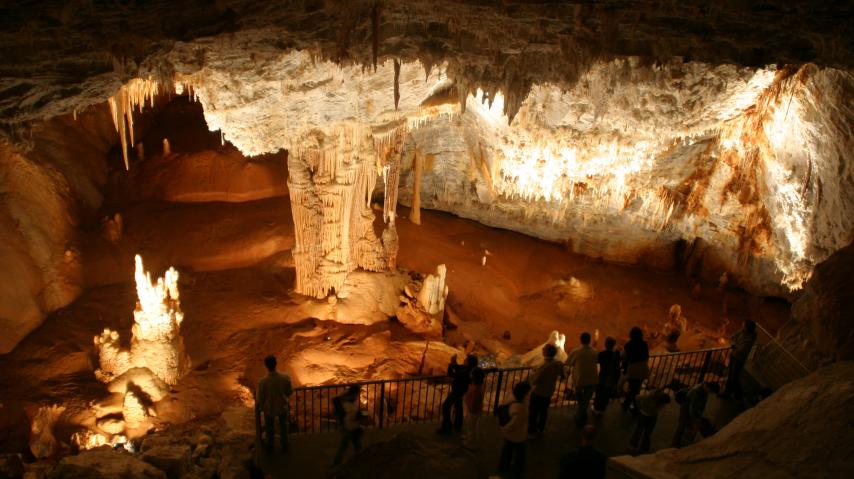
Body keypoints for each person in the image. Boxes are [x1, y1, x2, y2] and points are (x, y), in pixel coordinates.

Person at [255, 355, 293, 453]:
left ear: (266, 366)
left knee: (269, 429)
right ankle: (285, 446)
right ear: (276, 363)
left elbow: (260, 398)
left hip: (269, 408)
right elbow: (289, 392)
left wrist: (261, 406)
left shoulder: (262, 382)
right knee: (284, 427)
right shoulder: (285, 377)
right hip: (282, 406)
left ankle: (270, 447)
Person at [527, 344, 565, 436]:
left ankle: (531, 431)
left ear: (547, 353)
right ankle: (540, 428)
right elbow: (562, 375)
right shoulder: (557, 363)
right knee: (543, 412)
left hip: (538, 392)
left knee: (533, 413)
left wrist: (532, 375)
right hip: (548, 392)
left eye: (544, 349)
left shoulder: (544, 366)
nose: (542, 350)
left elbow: (535, 381)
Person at [498, 382, 531, 479]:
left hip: (509, 434)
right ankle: (518, 471)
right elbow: (514, 424)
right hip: (517, 435)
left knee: (507, 450)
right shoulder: (520, 408)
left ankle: (503, 466)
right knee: (520, 454)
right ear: (524, 393)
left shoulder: (510, 398)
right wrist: (505, 429)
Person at [673, 381, 720, 447]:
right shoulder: (696, 392)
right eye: (711, 391)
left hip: (692, 409)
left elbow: (701, 405)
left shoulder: (704, 390)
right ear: (708, 387)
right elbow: (692, 408)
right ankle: (675, 445)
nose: (710, 393)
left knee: (686, 427)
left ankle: (681, 444)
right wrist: (695, 419)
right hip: (686, 409)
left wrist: (698, 415)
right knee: (682, 426)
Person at [567, 332, 599, 427]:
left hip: (579, 380)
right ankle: (583, 413)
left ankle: (578, 416)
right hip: (592, 379)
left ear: (580, 340)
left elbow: (568, 363)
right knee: (586, 399)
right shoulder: (595, 352)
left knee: (581, 398)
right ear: (589, 340)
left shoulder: (575, 351)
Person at [438, 354, 475, 433]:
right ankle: (458, 424)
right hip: (461, 391)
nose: (464, 360)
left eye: (466, 360)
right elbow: (458, 367)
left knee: (446, 406)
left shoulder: (465, 371)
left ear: (468, 362)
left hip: (457, 391)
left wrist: (451, 363)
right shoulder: (468, 369)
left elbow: (451, 374)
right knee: (458, 406)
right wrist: (454, 363)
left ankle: (446, 427)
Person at [722, 319, 757, 402]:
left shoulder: (750, 338)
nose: (742, 327)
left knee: (734, 377)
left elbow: (743, 348)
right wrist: (733, 342)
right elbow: (733, 337)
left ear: (747, 328)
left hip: (739, 358)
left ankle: (739, 396)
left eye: (743, 325)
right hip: (734, 355)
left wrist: (734, 345)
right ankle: (727, 393)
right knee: (730, 375)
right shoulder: (742, 332)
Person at [629, 389, 670, 455]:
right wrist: (640, 408)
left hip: (651, 416)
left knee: (647, 433)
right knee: (639, 431)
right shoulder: (647, 398)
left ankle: (642, 447)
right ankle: (636, 446)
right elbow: (637, 397)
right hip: (644, 415)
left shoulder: (659, 401)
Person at [332, 385, 364, 466]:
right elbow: (349, 413)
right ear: (355, 393)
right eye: (358, 393)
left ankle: (337, 463)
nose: (358, 395)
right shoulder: (347, 400)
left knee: (353, 445)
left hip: (350, 426)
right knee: (346, 445)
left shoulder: (347, 399)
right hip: (349, 427)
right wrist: (358, 415)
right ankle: (337, 463)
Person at [621, 327, 650, 414]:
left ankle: (628, 405)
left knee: (633, 388)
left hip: (633, 369)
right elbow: (646, 356)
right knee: (637, 388)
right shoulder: (644, 344)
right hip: (643, 368)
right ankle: (634, 406)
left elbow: (624, 357)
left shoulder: (628, 345)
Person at [593, 337, 621, 414]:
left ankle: (596, 408)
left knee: (599, 392)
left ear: (605, 344)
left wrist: (594, 345)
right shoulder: (617, 354)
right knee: (607, 393)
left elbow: (596, 360)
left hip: (603, 376)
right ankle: (602, 409)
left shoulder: (602, 354)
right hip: (612, 377)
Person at [463, 362, 485, 449]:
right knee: (470, 426)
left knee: (471, 428)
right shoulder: (476, 385)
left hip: (473, 411)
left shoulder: (477, 389)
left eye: (472, 374)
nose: (470, 375)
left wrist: (471, 409)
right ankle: (469, 438)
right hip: (472, 410)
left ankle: (470, 444)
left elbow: (474, 401)